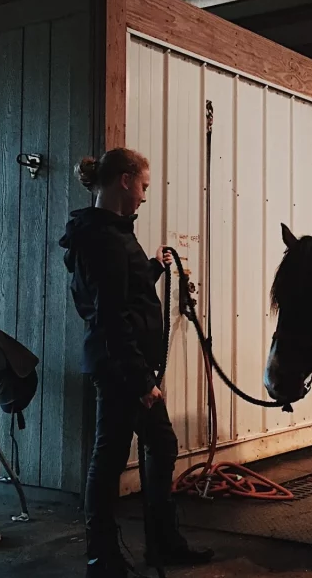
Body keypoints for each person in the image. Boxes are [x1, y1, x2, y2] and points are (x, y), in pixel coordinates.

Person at [59, 147, 213, 577]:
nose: (146, 195)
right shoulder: (104, 237)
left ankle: (154, 544)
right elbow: (110, 315)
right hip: (121, 368)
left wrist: (152, 268)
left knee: (154, 445)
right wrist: (141, 379)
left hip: (123, 364)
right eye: (144, 185)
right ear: (125, 180)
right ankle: (104, 556)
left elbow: (121, 290)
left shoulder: (110, 232)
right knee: (111, 457)